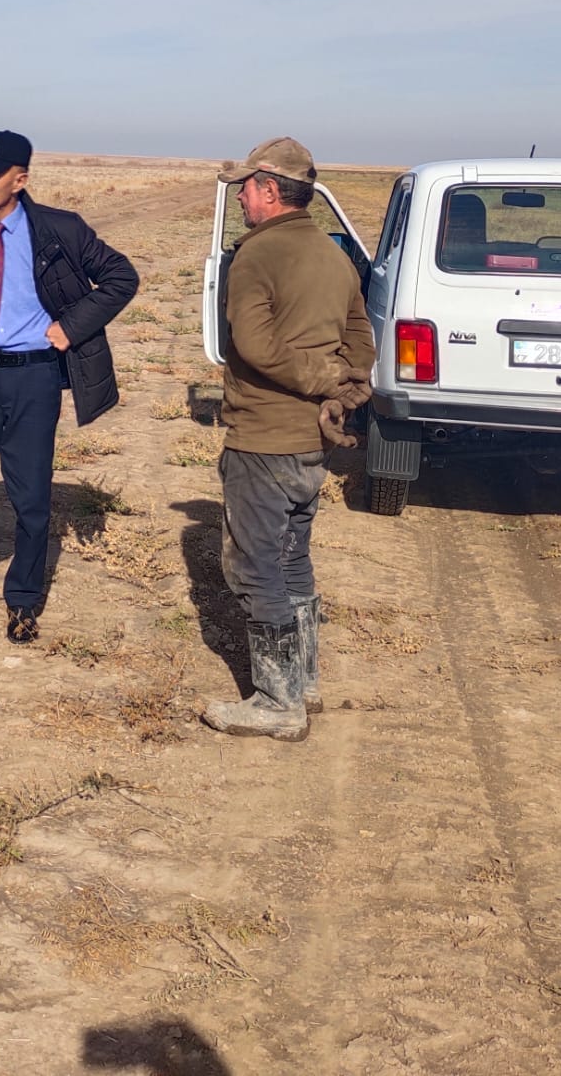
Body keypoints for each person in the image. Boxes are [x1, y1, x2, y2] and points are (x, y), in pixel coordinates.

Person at [0, 130, 139, 643]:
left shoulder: (59, 230)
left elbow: (121, 277)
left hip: (35, 377)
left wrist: (72, 326)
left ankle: (22, 600)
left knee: (32, 497)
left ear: (20, 180)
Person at [203, 137, 374, 740]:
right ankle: (305, 682)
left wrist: (323, 377)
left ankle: (278, 703)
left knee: (255, 567)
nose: (242, 196)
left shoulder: (257, 255)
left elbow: (251, 345)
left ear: (271, 190)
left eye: (247, 186)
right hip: (314, 441)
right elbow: (361, 334)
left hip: (265, 434)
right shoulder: (336, 256)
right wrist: (345, 385)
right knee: (292, 555)